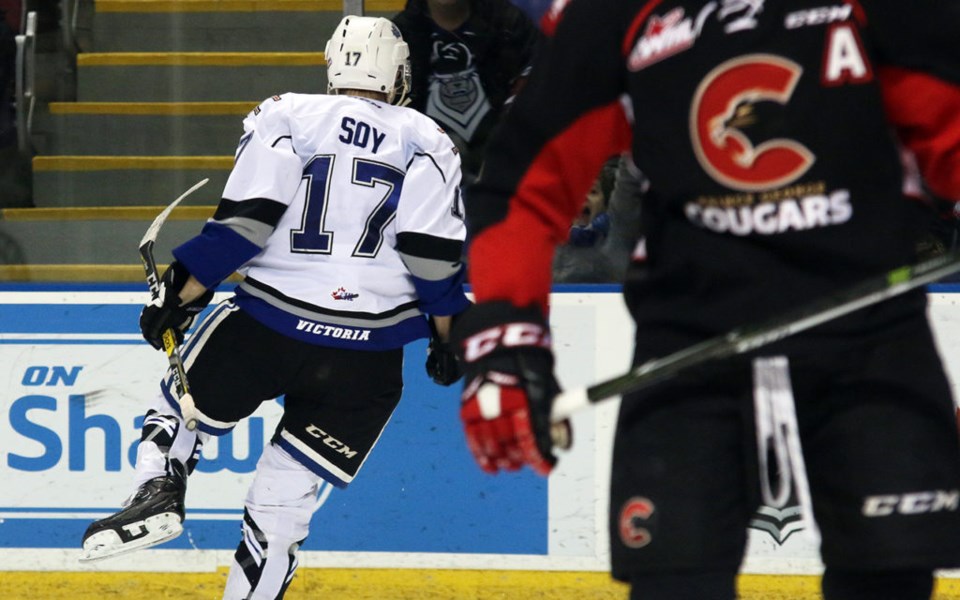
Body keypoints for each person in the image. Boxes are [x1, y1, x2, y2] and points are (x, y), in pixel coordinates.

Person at [450, 2, 960, 599]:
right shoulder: (616, 15)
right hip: (689, 344)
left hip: (868, 335)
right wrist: (507, 339)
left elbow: (948, 130)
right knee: (675, 584)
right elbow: (523, 185)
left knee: (888, 578)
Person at [79, 15, 469, 599]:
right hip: (367, 359)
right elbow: (432, 259)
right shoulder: (429, 140)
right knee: (283, 504)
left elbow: (244, 225)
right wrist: (448, 335)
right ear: (397, 73)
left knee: (177, 406)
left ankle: (159, 487)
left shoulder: (288, 114)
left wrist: (183, 292)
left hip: (268, 327)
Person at [391, 0, 541, 184]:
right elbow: (391, 124)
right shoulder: (398, 38)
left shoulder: (510, 25)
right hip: (426, 184)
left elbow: (538, 90)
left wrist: (501, 148)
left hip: (504, 178)